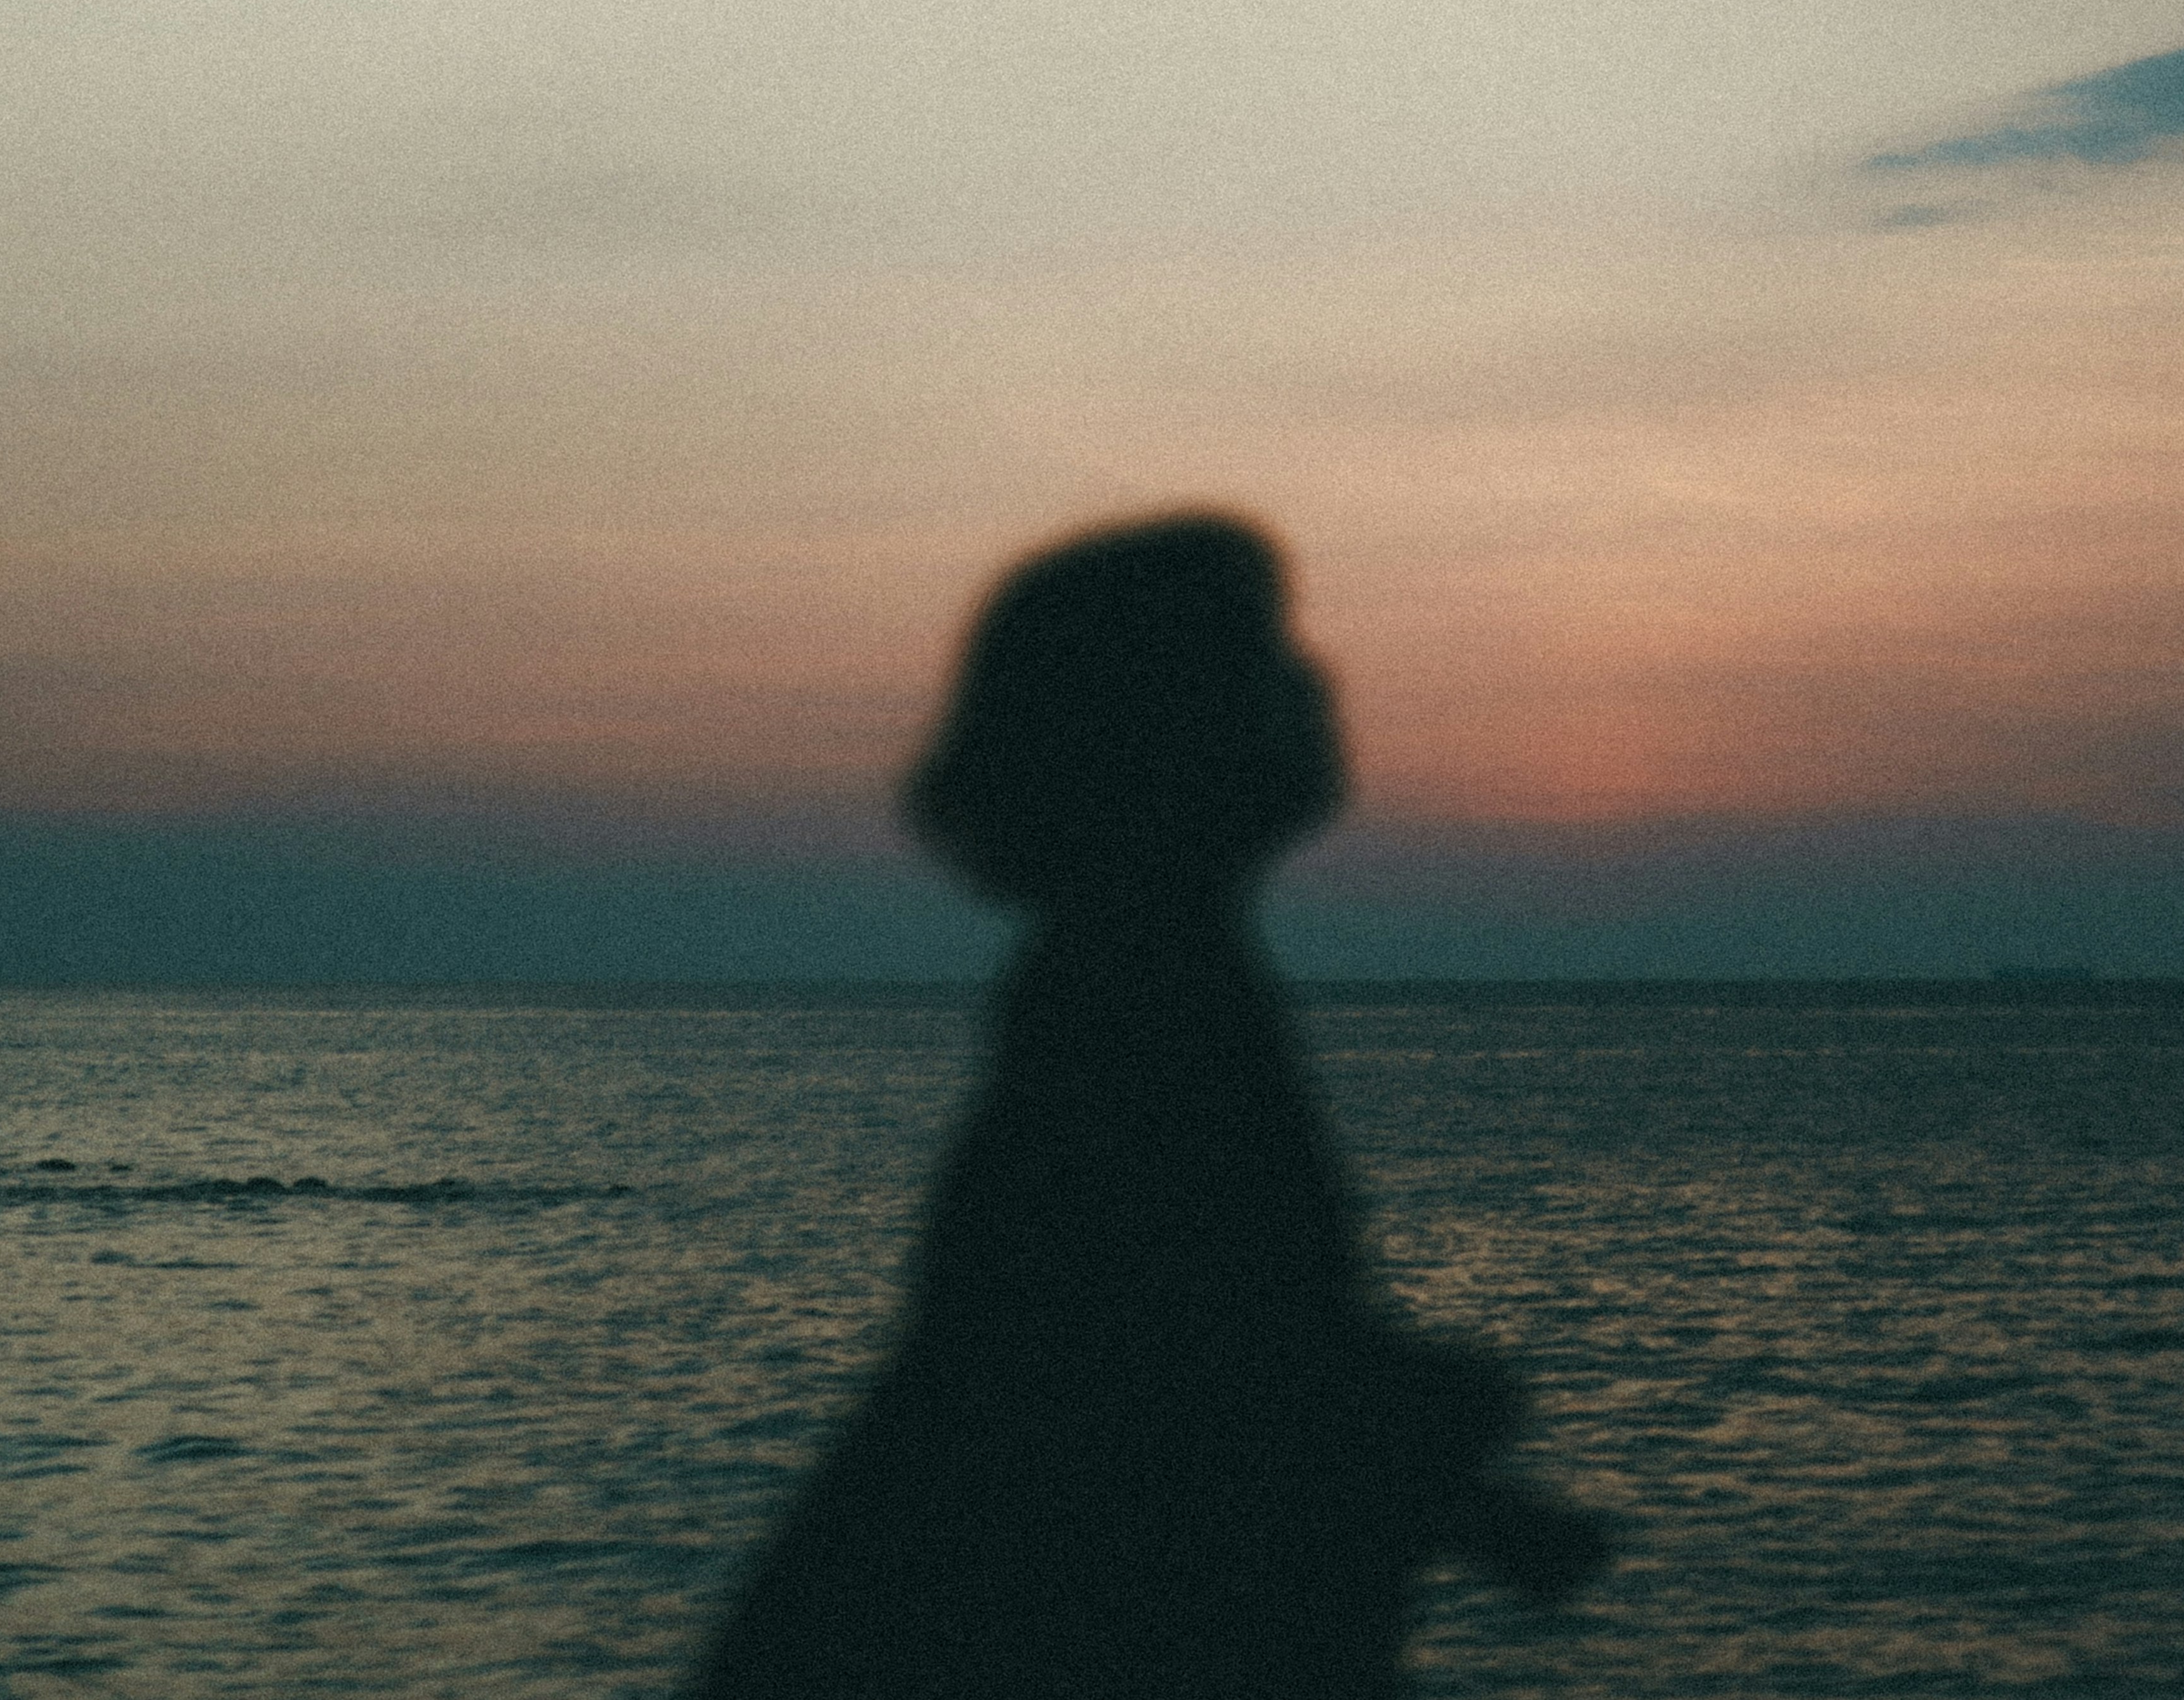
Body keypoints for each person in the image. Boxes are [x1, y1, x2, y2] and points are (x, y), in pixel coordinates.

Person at [687, 513, 1611, 1697]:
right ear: (1161, 729)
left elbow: (1160, 1342)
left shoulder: (1144, 971)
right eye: (1260, 653)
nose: (1313, 682)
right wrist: (1416, 1429)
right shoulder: (1144, 987)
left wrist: (1451, 1486)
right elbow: (1153, 1374)